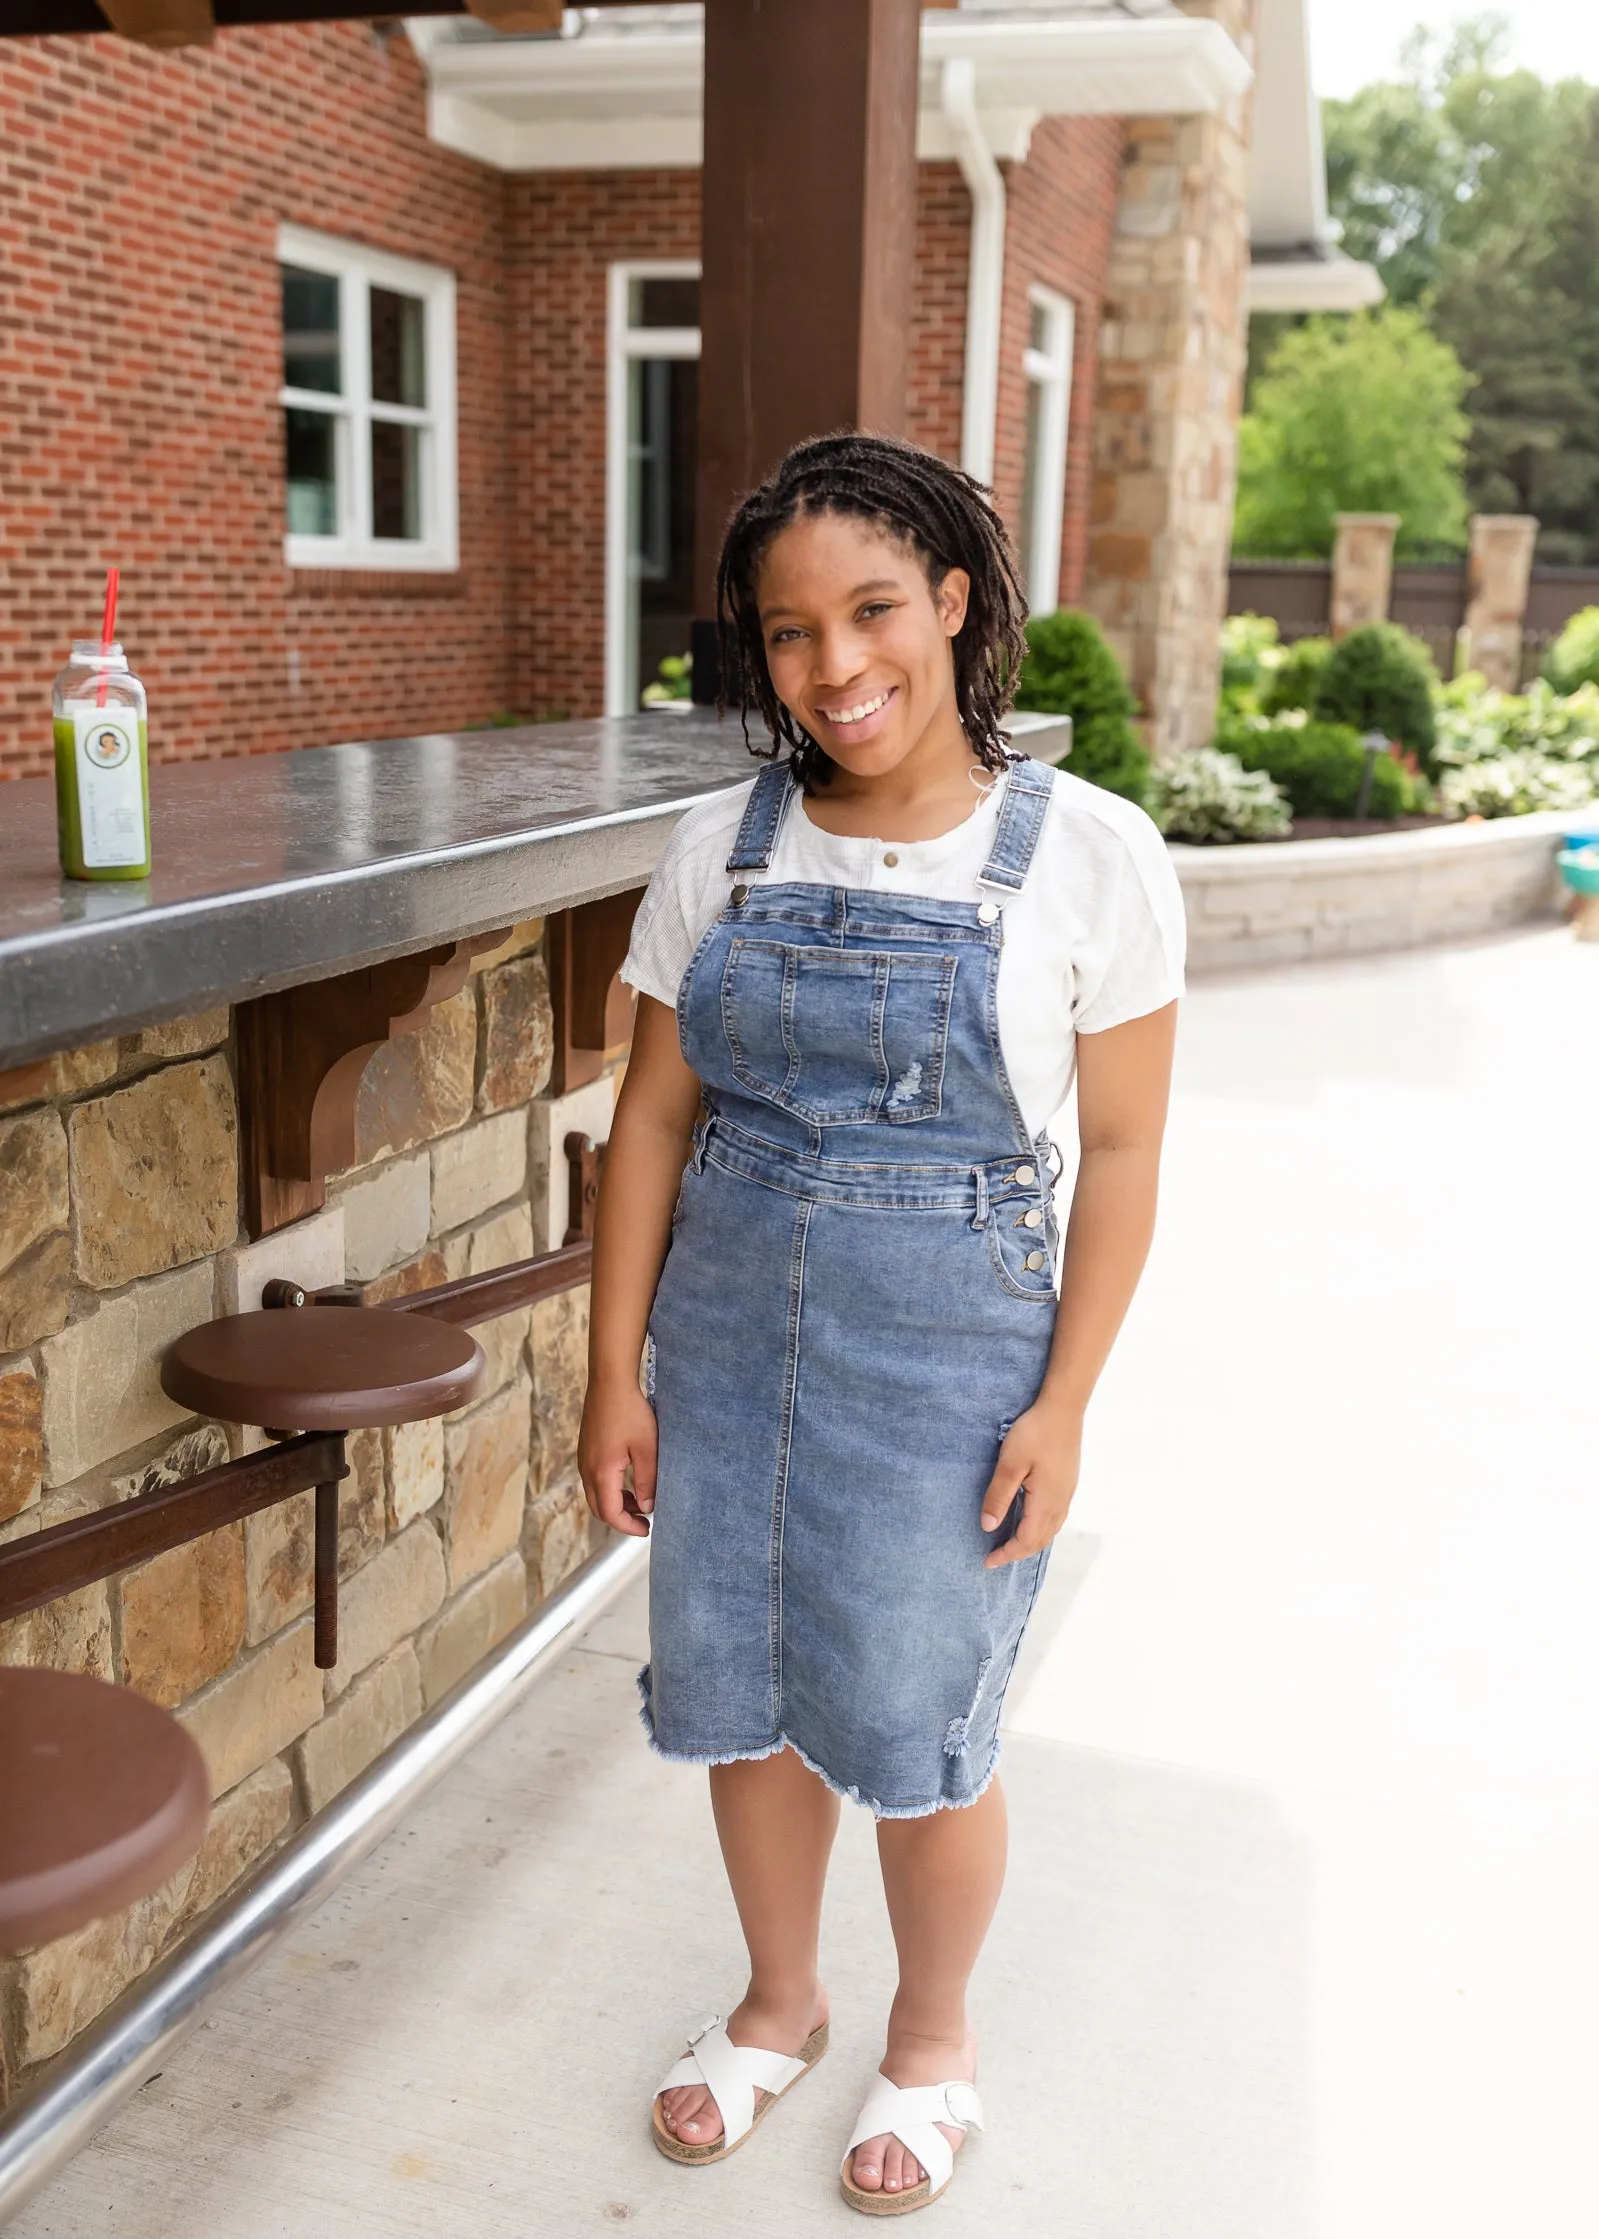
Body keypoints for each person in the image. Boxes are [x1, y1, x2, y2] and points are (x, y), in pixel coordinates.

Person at [579, 432, 1183, 2215]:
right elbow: (654, 1124)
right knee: (748, 1703)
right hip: (724, 1335)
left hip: (948, 1350)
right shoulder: (720, 845)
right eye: (786, 634)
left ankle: (930, 2042)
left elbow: (1130, 1148)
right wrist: (613, 1373)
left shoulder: (1087, 854)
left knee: (921, 1726)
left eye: (868, 611)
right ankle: (778, 2001)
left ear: (952, 599)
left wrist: (1065, 1400)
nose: (835, 668)